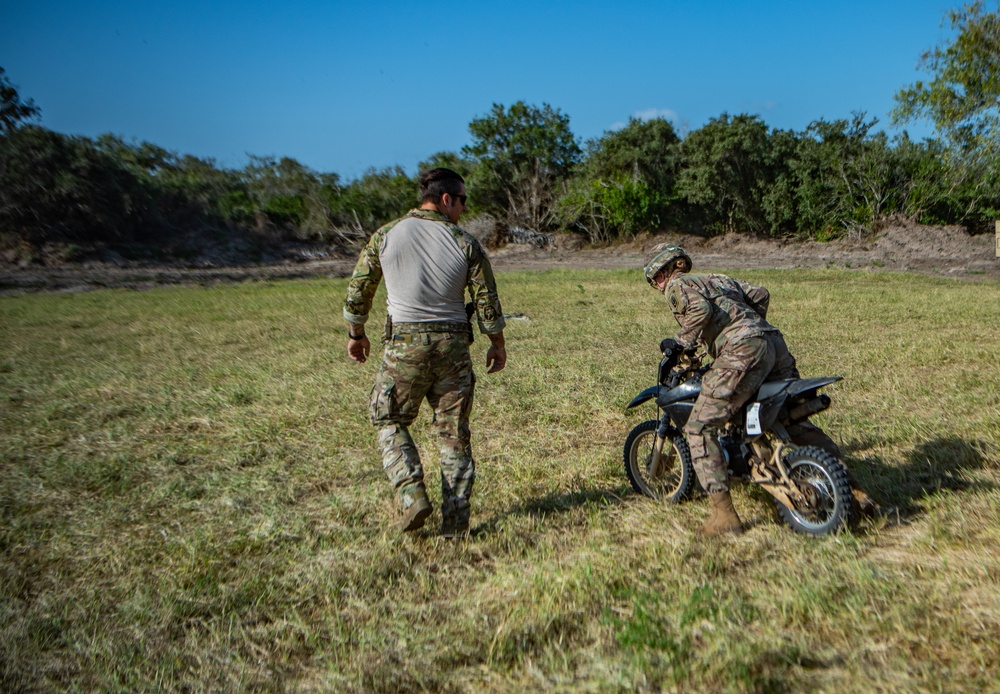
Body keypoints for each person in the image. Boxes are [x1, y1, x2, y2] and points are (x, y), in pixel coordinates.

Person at [643, 245, 875, 536]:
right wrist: (749, 326)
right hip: (773, 343)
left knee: (699, 428)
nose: (659, 284)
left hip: (744, 349)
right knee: (791, 418)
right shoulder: (720, 279)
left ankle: (723, 516)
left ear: (665, 271)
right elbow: (760, 293)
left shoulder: (678, 285)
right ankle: (853, 490)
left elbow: (699, 311)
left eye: (657, 279)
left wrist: (681, 343)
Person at [344, 168, 507, 538]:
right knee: (453, 434)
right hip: (453, 346)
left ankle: (411, 493)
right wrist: (497, 344)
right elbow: (487, 301)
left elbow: (358, 291)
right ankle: (456, 525)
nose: (465, 208)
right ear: (446, 199)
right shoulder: (465, 242)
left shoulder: (385, 236)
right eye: (463, 200)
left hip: (404, 345)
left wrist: (357, 334)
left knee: (389, 419)